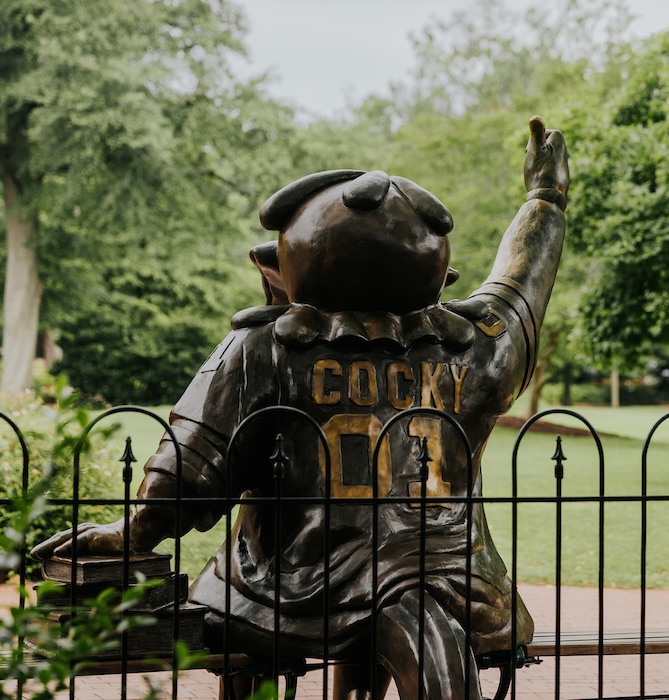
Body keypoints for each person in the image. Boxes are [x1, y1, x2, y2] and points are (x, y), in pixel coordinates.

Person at [31, 116, 569, 700]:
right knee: (405, 608)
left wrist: (137, 530)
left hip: (290, 586)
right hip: (449, 579)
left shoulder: (264, 347)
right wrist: (545, 200)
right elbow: (521, 285)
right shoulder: (476, 345)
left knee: (235, 619)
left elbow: (195, 461)